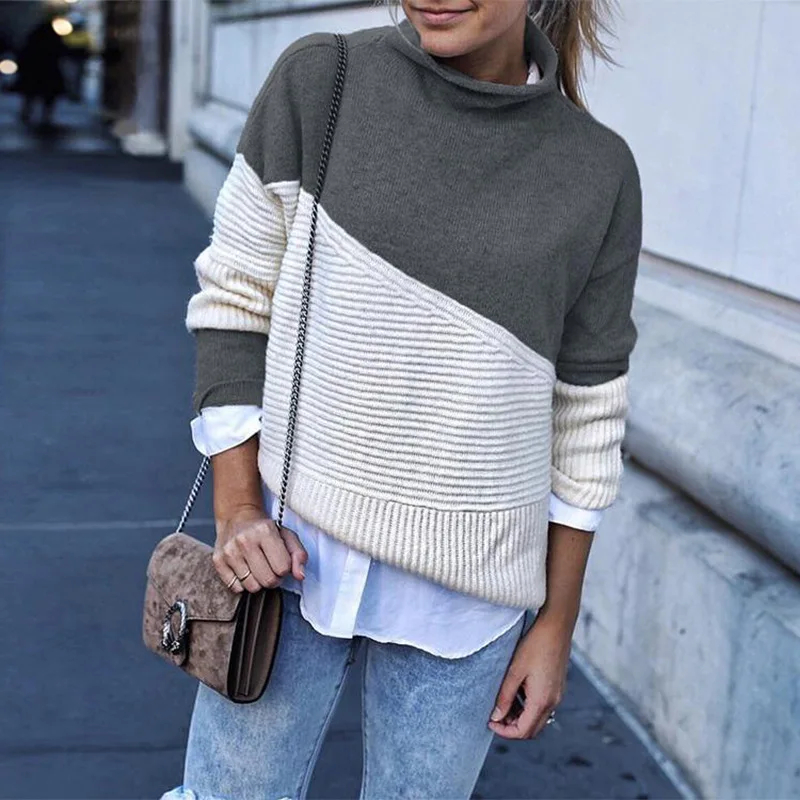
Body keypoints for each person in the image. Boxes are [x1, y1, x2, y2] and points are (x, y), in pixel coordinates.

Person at [164, 0, 642, 797]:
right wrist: (237, 508)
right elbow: (235, 302)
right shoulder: (322, 81)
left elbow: (586, 410)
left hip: (470, 595)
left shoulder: (596, 171)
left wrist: (556, 624)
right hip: (286, 555)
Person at [15, 18, 68, 127]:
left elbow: (23, 56)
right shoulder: (53, 40)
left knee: (30, 95)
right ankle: (45, 116)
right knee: (48, 96)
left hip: (34, 72)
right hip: (48, 72)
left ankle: (26, 114)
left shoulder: (33, 41)